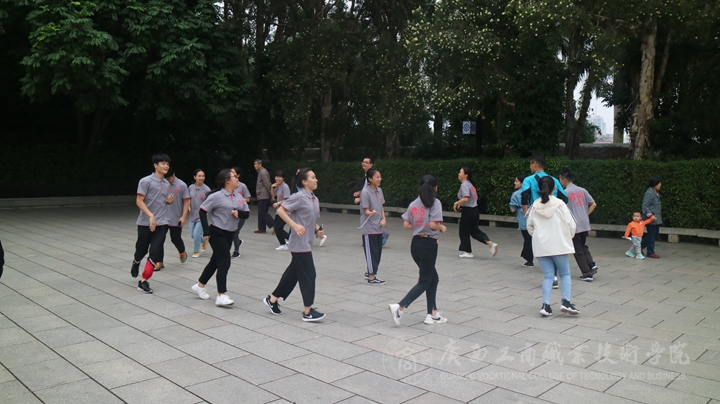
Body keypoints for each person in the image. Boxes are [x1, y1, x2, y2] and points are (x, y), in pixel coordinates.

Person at [262, 168, 326, 322]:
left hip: (307, 241)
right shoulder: (298, 197)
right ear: (304, 182)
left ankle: (272, 300)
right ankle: (308, 311)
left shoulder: (314, 198)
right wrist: (294, 225)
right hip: (299, 243)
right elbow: (281, 211)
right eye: (313, 177)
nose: (316, 180)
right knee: (309, 274)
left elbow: (310, 219)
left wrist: (318, 230)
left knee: (294, 273)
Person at [388, 174, 447, 326]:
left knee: (433, 278)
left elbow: (406, 225)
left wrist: (419, 226)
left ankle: (432, 313)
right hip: (428, 244)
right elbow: (433, 225)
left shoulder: (414, 204)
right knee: (425, 281)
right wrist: (441, 227)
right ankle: (400, 307)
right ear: (435, 187)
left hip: (416, 244)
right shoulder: (435, 202)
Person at [192, 169, 250, 306]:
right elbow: (203, 211)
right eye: (234, 177)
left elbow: (247, 213)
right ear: (227, 180)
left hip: (230, 233)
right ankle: (221, 295)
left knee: (215, 261)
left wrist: (239, 213)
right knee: (225, 261)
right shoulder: (216, 196)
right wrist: (206, 230)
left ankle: (199, 285)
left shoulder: (238, 196)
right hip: (217, 232)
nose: (237, 178)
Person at [527, 176, 579, 317]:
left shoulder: (534, 205)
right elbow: (571, 224)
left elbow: (529, 226)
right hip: (559, 244)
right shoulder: (560, 204)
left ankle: (546, 305)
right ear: (554, 188)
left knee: (548, 276)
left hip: (541, 246)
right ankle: (566, 302)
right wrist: (567, 237)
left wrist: (538, 238)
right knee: (565, 273)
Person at [521, 155, 568, 288]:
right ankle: (554, 276)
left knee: (542, 244)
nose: (530, 166)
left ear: (535, 164)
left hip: (538, 215)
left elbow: (524, 196)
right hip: (554, 215)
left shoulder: (528, 180)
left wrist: (525, 212)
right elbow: (565, 198)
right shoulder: (553, 180)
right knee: (554, 243)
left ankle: (550, 276)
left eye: (530, 163)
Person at [131, 153, 174, 293]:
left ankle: (144, 280)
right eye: (163, 163)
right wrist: (150, 216)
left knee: (155, 251)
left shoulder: (167, 183)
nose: (166, 166)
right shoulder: (145, 181)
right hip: (145, 223)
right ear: (155, 165)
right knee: (141, 250)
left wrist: (168, 202)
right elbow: (139, 201)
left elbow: (161, 202)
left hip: (162, 223)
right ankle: (136, 261)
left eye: (167, 164)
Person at [560, 170, 598, 281]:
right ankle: (591, 263)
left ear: (564, 179)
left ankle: (587, 273)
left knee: (577, 249)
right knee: (582, 245)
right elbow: (593, 204)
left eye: (560, 179)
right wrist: (585, 214)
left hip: (574, 224)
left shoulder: (565, 193)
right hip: (584, 223)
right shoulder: (582, 190)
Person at [452, 166, 497, 258]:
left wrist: (456, 203)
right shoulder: (470, 185)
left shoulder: (464, 185)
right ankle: (491, 244)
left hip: (468, 212)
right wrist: (462, 204)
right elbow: (473, 198)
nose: (459, 174)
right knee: (474, 231)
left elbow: (466, 198)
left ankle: (468, 252)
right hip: (474, 210)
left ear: (466, 175)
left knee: (464, 231)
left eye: (460, 172)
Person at [350, 157, 389, 245]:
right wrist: (359, 193)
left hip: (371, 209)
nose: (364, 164)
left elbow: (369, 193)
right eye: (363, 162)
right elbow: (366, 191)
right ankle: (370, 237)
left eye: (366, 162)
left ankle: (382, 234)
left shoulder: (376, 185)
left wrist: (360, 198)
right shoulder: (366, 177)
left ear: (371, 165)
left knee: (372, 221)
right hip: (367, 210)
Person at [360, 168, 387, 284]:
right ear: (370, 179)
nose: (379, 179)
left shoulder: (379, 190)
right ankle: (372, 277)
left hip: (378, 227)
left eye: (380, 177)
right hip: (369, 227)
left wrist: (384, 219)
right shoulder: (365, 192)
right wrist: (371, 212)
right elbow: (365, 211)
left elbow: (381, 206)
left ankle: (370, 271)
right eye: (377, 177)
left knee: (377, 252)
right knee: (371, 252)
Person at [164, 167, 191, 265]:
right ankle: (158, 261)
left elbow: (186, 201)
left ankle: (181, 251)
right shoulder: (161, 184)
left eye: (169, 179)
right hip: (162, 217)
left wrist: (183, 216)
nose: (167, 181)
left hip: (176, 217)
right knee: (159, 240)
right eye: (166, 179)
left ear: (174, 175)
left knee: (175, 239)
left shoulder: (182, 185)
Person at [509, 174, 533, 266]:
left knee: (527, 239)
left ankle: (529, 259)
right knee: (530, 239)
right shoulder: (532, 192)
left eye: (517, 181)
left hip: (523, 219)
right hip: (533, 218)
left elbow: (513, 209)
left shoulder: (516, 194)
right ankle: (527, 257)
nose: (515, 183)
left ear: (523, 183)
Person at [189, 169, 211, 258]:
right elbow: (188, 198)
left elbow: (210, 203)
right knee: (192, 235)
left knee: (196, 234)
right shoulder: (190, 187)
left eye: (203, 176)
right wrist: (188, 206)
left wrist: (203, 213)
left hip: (202, 216)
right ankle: (204, 241)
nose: (201, 178)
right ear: (194, 177)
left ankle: (196, 251)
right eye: (199, 176)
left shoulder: (206, 189)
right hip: (192, 214)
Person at [230, 167, 252, 258]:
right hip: (231, 213)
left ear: (238, 175)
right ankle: (237, 242)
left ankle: (236, 252)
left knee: (235, 232)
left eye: (233, 173)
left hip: (241, 212)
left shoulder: (242, 186)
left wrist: (239, 200)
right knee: (232, 232)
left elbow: (248, 199)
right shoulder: (228, 185)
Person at [641, 175, 663, 259]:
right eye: (658, 183)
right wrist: (650, 215)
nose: (660, 185)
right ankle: (650, 252)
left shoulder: (655, 192)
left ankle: (640, 246)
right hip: (651, 218)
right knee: (652, 235)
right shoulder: (649, 193)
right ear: (654, 184)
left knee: (654, 234)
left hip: (656, 218)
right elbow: (645, 205)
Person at [272, 170, 291, 250]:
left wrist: (278, 203)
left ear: (283, 178)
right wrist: (272, 187)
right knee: (276, 228)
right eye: (276, 177)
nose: (278, 178)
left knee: (279, 228)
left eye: (280, 177)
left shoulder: (285, 186)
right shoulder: (278, 186)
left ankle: (291, 239)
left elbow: (287, 199)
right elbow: (273, 195)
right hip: (279, 211)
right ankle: (283, 244)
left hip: (285, 211)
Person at [254, 159, 274, 234]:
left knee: (262, 212)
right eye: (254, 164)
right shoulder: (260, 172)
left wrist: (271, 194)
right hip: (261, 195)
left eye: (256, 164)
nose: (255, 166)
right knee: (260, 212)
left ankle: (274, 224)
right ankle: (262, 228)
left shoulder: (263, 172)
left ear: (260, 164)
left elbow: (267, 184)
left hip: (264, 195)